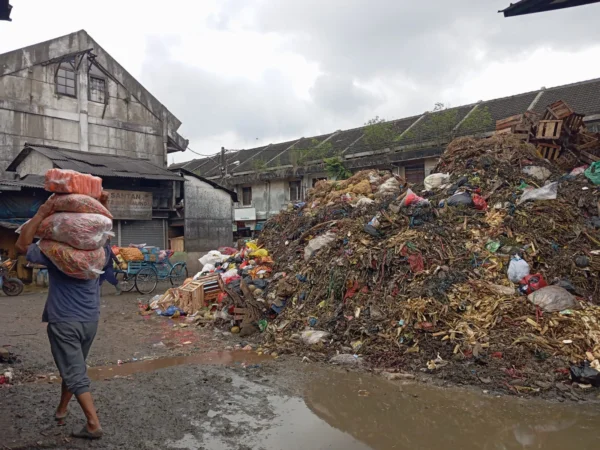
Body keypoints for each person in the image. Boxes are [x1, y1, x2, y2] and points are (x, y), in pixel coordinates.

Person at [16, 197, 105, 440]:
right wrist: (97, 204)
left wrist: (42, 213)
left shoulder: (56, 253)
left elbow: (22, 244)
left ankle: (93, 424)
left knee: (74, 372)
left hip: (64, 320)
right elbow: (102, 228)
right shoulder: (100, 250)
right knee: (74, 367)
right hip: (90, 320)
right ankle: (62, 410)